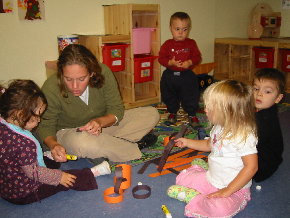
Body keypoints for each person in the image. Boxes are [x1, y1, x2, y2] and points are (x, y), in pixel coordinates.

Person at [36, 44, 160, 163]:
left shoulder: (104, 72)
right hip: (70, 134)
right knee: (82, 142)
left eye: (81, 79)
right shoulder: (51, 87)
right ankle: (134, 147)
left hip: (101, 127)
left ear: (92, 73)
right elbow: (45, 126)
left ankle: (101, 148)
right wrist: (54, 145)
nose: (74, 86)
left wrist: (100, 122)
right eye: (68, 79)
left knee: (151, 114)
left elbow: (116, 109)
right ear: (61, 73)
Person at [0, 80, 111, 205]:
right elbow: (34, 173)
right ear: (20, 114)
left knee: (47, 160)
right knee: (66, 179)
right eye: (37, 116)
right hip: (24, 193)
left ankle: (48, 157)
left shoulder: (4, 124)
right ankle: (93, 173)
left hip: (6, 186)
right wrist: (59, 177)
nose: (39, 121)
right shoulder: (24, 143)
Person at [167, 80, 258, 217]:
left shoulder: (243, 135)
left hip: (235, 189)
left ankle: (195, 198)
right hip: (212, 178)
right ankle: (199, 188)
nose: (205, 110)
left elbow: (251, 167)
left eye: (210, 107)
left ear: (228, 111)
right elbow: (209, 145)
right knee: (182, 178)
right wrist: (187, 142)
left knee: (220, 210)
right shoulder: (219, 126)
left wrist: (228, 190)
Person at [158, 12, 202, 128]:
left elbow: (197, 57)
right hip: (170, 74)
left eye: (184, 29)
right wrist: (170, 62)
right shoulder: (167, 44)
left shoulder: (191, 43)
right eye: (177, 29)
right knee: (168, 92)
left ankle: (192, 114)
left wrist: (190, 62)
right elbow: (161, 58)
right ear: (171, 29)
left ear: (189, 29)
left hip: (186, 75)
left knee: (191, 94)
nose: (181, 32)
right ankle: (172, 112)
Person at [252, 68, 285, 182]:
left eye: (267, 91)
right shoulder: (265, 108)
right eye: (256, 89)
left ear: (278, 98)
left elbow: (251, 141)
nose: (259, 94)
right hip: (269, 157)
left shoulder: (265, 119)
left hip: (263, 166)